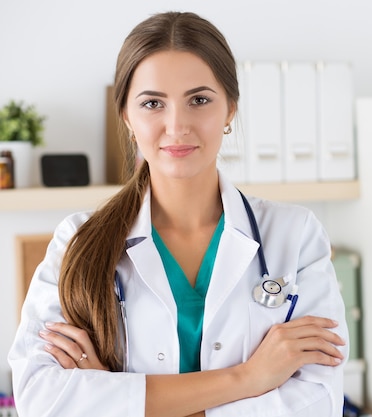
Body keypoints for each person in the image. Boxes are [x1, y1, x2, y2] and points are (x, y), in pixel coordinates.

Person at [8, 11, 348, 417]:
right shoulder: (77, 241)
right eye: (153, 103)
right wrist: (249, 378)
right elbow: (42, 399)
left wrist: (119, 396)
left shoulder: (295, 236)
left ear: (230, 111)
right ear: (127, 119)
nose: (177, 125)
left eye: (199, 100)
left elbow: (317, 402)